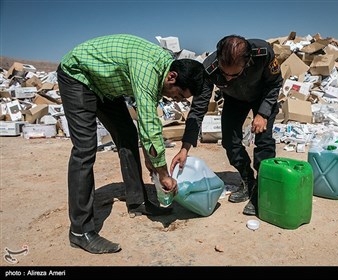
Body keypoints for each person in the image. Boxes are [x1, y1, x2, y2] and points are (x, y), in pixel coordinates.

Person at [57, 34, 204, 254]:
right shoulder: (148, 69)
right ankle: (80, 232)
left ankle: (137, 202)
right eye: (180, 95)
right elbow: (149, 122)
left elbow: (147, 128)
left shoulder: (161, 70)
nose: (177, 100)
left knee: (127, 134)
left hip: (105, 85)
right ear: (172, 77)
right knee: (85, 149)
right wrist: (163, 174)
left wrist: (149, 157)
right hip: (78, 76)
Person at [170, 35, 283, 216]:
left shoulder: (263, 53)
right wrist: (185, 147)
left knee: (264, 142)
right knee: (230, 143)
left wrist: (262, 113)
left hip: (263, 97)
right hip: (235, 100)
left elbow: (275, 83)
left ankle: (263, 190)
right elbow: (198, 109)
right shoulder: (209, 68)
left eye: (235, 74)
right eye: (225, 74)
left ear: (248, 62)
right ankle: (248, 181)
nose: (228, 79)